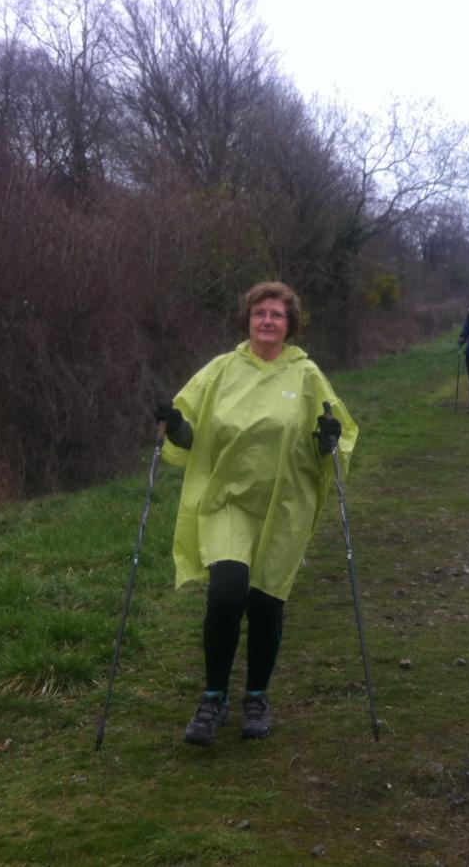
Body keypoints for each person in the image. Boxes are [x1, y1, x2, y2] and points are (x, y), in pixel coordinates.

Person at [154, 281, 358, 746]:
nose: (267, 321)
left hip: (283, 504)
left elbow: (336, 438)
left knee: (267, 599)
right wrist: (177, 423)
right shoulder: (222, 371)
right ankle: (212, 698)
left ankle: (256, 697)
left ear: (290, 325)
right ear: (247, 320)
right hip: (228, 500)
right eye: (259, 313)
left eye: (277, 315)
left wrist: (327, 437)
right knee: (226, 594)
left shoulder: (306, 376)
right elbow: (188, 435)